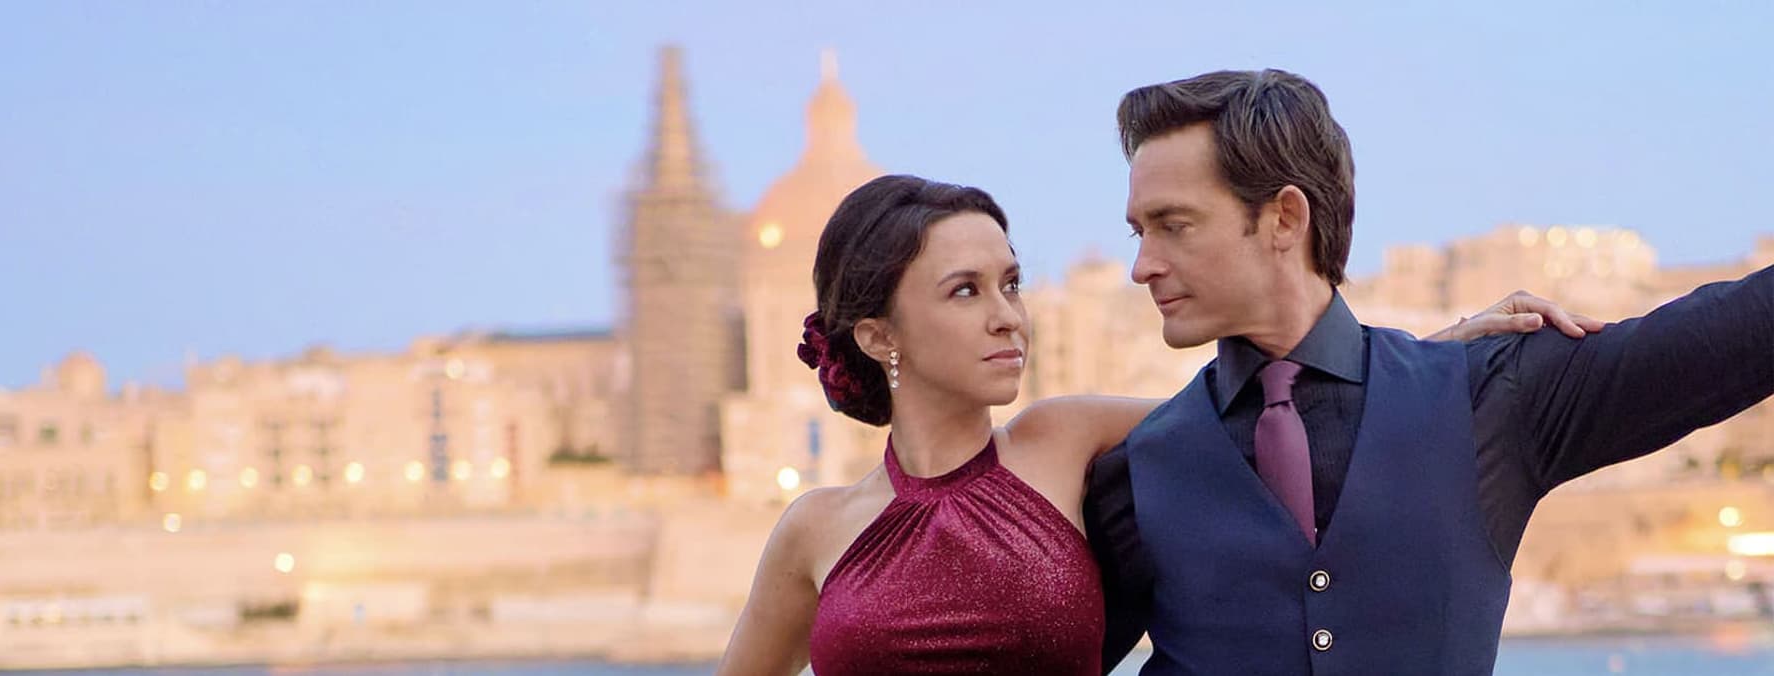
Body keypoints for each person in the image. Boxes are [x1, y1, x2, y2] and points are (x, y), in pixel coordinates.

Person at [713, 174, 1593, 675]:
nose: (1008, 317)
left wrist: (1440, 353)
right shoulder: (815, 530)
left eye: (1011, 283)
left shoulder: (1063, 440)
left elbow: (1279, 401)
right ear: (878, 336)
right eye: (965, 292)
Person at [1085, 69, 1774, 675]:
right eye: (1139, 232)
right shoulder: (1137, 471)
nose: (1142, 266)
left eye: (1173, 225)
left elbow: (1739, 333)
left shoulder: (1490, 396)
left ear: (1285, 218)